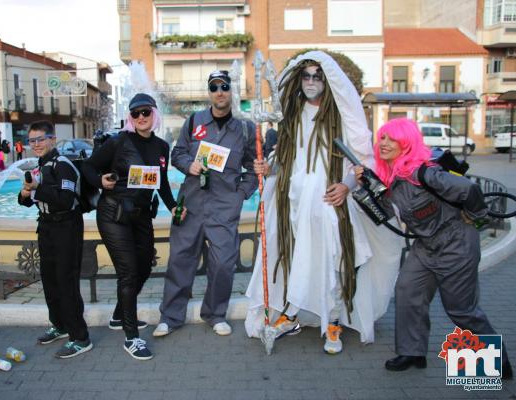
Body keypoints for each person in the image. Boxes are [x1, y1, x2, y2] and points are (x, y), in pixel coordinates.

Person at [244, 51, 403, 353]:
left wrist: (346, 185)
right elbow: (286, 158)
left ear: (327, 80)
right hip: (293, 201)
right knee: (292, 255)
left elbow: (362, 160)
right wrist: (269, 168)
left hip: (329, 202)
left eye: (318, 75)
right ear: (299, 80)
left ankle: (333, 321)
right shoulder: (291, 115)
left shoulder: (341, 115)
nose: (312, 81)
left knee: (333, 259)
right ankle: (290, 314)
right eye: (307, 75)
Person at [354, 118, 512, 377]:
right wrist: (367, 188)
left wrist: (476, 214)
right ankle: (412, 352)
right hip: (426, 246)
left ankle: (498, 363)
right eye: (381, 137)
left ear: (406, 143)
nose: (383, 143)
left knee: (461, 310)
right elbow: (384, 215)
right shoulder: (391, 178)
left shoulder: (425, 173)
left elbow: (468, 188)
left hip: (456, 243)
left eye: (391, 138)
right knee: (407, 292)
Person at [153, 70, 258, 337]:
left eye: (224, 86)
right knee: (180, 260)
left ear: (231, 91)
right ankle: (170, 316)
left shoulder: (246, 129)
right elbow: (177, 154)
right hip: (191, 204)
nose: (219, 92)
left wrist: (241, 194)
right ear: (209, 92)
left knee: (223, 263)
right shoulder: (194, 122)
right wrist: (190, 165)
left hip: (225, 207)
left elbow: (254, 168)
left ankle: (215, 313)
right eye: (214, 87)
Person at [83, 93, 179, 361]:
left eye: (145, 112)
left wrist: (172, 206)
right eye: (135, 113)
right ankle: (131, 337)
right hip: (113, 214)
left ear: (154, 114)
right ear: (130, 117)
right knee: (128, 271)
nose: (140, 118)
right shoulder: (119, 142)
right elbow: (89, 167)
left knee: (146, 264)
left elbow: (161, 183)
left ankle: (118, 316)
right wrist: (101, 182)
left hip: (140, 216)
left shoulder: (161, 147)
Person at [18, 120, 92, 359]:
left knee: (66, 281)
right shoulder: (41, 165)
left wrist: (37, 189)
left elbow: (64, 199)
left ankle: (80, 337)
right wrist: (25, 192)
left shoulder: (63, 165)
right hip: (47, 226)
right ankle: (59, 325)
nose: (36, 144)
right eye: (32, 140)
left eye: (41, 139)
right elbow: (26, 200)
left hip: (66, 227)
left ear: (52, 139)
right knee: (49, 279)